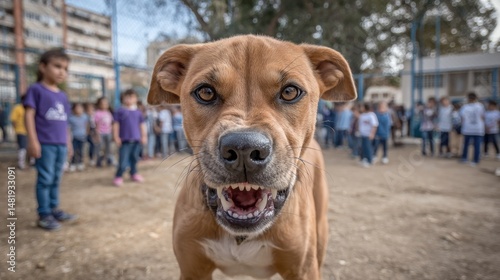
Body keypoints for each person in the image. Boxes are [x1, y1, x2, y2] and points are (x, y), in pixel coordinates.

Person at [24, 48, 77, 231]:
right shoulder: (36, 90)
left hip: (60, 144)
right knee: (45, 178)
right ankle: (44, 214)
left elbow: (65, 123)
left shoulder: (62, 95)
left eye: (65, 68)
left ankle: (54, 209)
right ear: (43, 67)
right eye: (57, 66)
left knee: (56, 178)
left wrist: (68, 144)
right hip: (45, 143)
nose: (62, 71)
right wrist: (33, 141)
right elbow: (29, 115)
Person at [112, 89, 147, 186]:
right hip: (125, 141)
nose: (128, 99)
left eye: (131, 97)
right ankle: (118, 176)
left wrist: (144, 136)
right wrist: (116, 136)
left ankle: (134, 173)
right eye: (126, 97)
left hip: (136, 140)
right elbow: (116, 124)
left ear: (136, 99)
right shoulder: (120, 111)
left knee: (135, 159)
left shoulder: (138, 112)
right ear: (122, 99)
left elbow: (142, 125)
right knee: (123, 161)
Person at [460, 92, 485, 166]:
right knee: (477, 145)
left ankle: (464, 158)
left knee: (466, 144)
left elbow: (462, 118)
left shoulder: (465, 107)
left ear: (468, 98)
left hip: (467, 128)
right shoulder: (480, 106)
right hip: (478, 128)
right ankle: (475, 160)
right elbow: (482, 116)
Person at [94, 97, 114, 167]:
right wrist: (97, 134)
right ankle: (99, 161)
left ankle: (109, 159)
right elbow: (96, 125)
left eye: (106, 103)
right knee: (100, 148)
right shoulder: (97, 113)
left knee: (108, 148)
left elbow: (111, 123)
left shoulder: (109, 113)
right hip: (101, 133)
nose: (104, 105)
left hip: (108, 133)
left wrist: (112, 133)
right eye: (102, 103)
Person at [68, 103, 88, 172]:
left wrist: (86, 133)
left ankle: (80, 163)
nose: (79, 110)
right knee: (73, 151)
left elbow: (87, 125)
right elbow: (68, 128)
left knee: (81, 151)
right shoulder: (71, 118)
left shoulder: (85, 117)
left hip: (82, 137)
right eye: (77, 108)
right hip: (74, 138)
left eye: (80, 108)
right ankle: (73, 163)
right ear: (73, 109)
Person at [10, 96, 28, 169]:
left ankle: (28, 162)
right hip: (21, 131)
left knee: (25, 148)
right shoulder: (18, 108)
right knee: (22, 147)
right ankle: (21, 164)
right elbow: (13, 120)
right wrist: (15, 129)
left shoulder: (29, 108)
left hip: (28, 132)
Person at [358, 103, 378, 167]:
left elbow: (374, 125)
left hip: (368, 134)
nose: (361, 108)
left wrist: (372, 134)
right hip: (362, 134)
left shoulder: (371, 115)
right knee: (363, 147)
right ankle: (364, 158)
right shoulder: (362, 115)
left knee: (368, 147)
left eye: (362, 107)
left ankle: (370, 160)